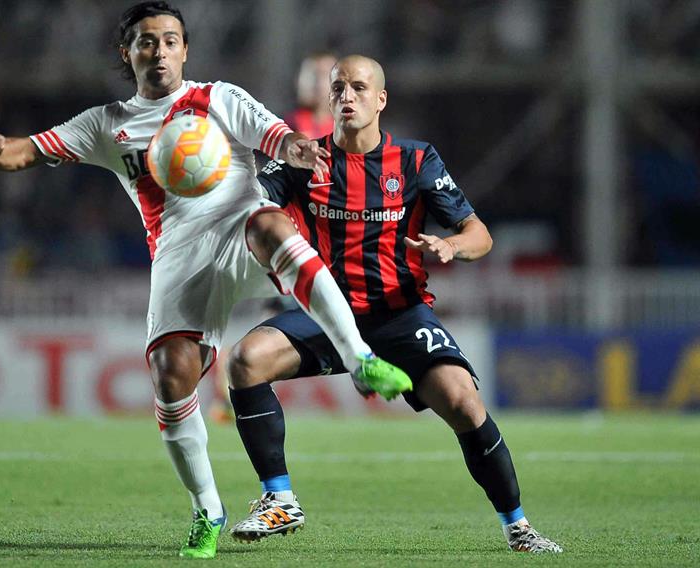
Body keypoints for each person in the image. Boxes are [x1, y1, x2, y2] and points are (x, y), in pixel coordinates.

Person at [0, 6, 412, 558]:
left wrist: (299, 148)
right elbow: (25, 151)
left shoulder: (219, 98)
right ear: (126, 54)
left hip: (239, 228)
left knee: (274, 223)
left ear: (185, 50)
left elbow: (277, 137)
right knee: (169, 376)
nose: (158, 51)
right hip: (179, 256)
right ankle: (208, 510)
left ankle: (360, 358)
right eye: (146, 42)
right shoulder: (107, 123)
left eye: (170, 40)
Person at [226, 55, 563, 554]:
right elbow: (249, 205)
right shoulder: (303, 160)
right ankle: (279, 499)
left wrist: (452, 247)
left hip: (400, 314)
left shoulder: (416, 161)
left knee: (464, 403)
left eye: (359, 87)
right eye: (338, 88)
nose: (346, 96)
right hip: (328, 313)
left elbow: (480, 235)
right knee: (245, 361)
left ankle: (518, 526)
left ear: (380, 99)